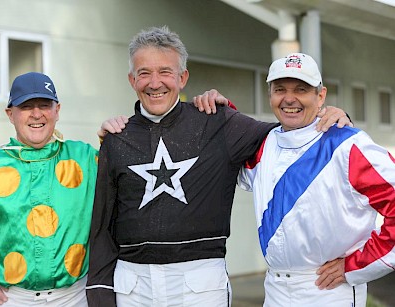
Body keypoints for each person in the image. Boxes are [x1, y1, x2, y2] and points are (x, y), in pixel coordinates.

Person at [86, 26, 350, 307]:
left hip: (201, 286)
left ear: (183, 77)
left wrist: (335, 117)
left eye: (165, 72)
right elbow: (102, 226)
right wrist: (100, 292)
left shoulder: (217, 121)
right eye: (144, 73)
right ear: (131, 79)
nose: (155, 83)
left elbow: (291, 135)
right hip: (132, 287)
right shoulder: (116, 138)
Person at [232, 52, 395, 306]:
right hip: (274, 291)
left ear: (321, 96)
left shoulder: (348, 144)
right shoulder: (262, 144)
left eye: (301, 89)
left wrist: (355, 267)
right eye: (280, 89)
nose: (289, 99)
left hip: (329, 290)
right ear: (270, 95)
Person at [0, 72, 98, 306]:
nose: (36, 114)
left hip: (76, 297)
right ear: (10, 114)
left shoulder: (87, 159)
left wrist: (113, 136)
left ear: (57, 110)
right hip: (13, 299)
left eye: (44, 105)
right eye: (26, 106)